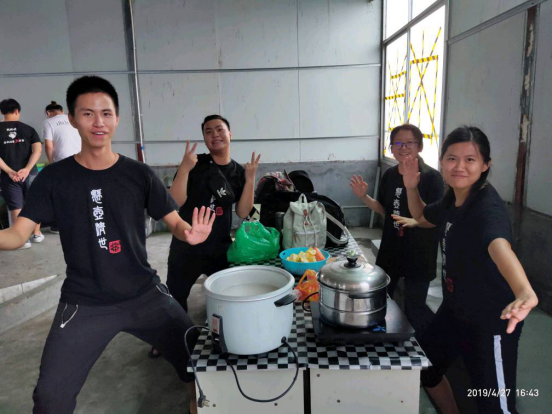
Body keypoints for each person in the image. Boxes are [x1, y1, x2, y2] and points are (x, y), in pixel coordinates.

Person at [0, 76, 215, 414]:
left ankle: (195, 399)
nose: (98, 122)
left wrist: (188, 231)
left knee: (198, 356)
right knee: (50, 398)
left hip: (145, 294)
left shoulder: (139, 174)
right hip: (85, 302)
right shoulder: (54, 179)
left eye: (106, 113)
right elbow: (17, 235)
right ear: (72, 119)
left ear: (117, 119)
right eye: (87, 114)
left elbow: (174, 221)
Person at [401, 126, 538, 414]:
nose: (459, 167)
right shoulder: (454, 197)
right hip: (455, 311)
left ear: (485, 165)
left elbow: (498, 246)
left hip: (492, 321)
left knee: (496, 407)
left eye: (470, 159)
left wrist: (524, 291)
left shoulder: (486, 207)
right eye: (452, 158)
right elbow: (422, 217)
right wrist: (411, 186)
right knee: (424, 366)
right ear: (441, 161)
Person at [147, 115, 260, 359]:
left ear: (230, 134)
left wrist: (250, 179)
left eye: (220, 129)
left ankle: (228, 334)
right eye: (208, 131)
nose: (215, 134)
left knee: (227, 295)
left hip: (219, 248)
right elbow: (174, 202)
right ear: (204, 138)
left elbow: (243, 212)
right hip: (186, 246)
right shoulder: (195, 164)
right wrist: (184, 168)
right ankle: (168, 340)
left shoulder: (239, 172)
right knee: (175, 297)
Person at [350, 124, 443, 335]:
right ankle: (384, 341)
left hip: (420, 254)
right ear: (391, 148)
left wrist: (416, 220)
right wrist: (364, 197)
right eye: (398, 143)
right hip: (391, 249)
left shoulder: (431, 177)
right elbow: (385, 210)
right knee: (382, 300)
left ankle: (416, 349)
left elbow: (435, 218)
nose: (403, 148)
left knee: (415, 308)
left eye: (409, 143)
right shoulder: (390, 175)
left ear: (420, 146)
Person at [0, 98, 43, 248]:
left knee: (15, 205)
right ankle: (36, 234)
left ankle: (22, 239)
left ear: (1, 112)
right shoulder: (28, 129)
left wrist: (10, 171)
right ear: (17, 110)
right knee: (34, 202)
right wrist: (27, 169)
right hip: (30, 173)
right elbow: (37, 150)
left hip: (8, 175)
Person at [42, 100, 82, 233]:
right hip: (81, 158)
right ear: (62, 111)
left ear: (48, 113)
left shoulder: (48, 122)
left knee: (62, 193)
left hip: (62, 161)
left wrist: (51, 162)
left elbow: (48, 146)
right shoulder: (74, 118)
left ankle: (61, 225)